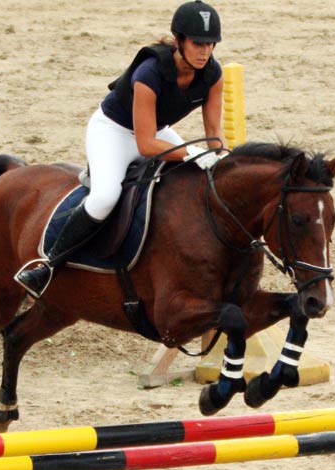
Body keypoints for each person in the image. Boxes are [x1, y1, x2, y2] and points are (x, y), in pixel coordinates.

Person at [15, 0, 227, 299]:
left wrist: (222, 157)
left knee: (196, 179)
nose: (205, 51)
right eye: (197, 43)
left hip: (156, 129)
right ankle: (49, 265)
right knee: (105, 197)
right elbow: (146, 145)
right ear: (178, 40)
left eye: (210, 44)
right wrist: (192, 153)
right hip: (113, 131)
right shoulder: (150, 72)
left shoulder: (213, 74)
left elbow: (214, 133)